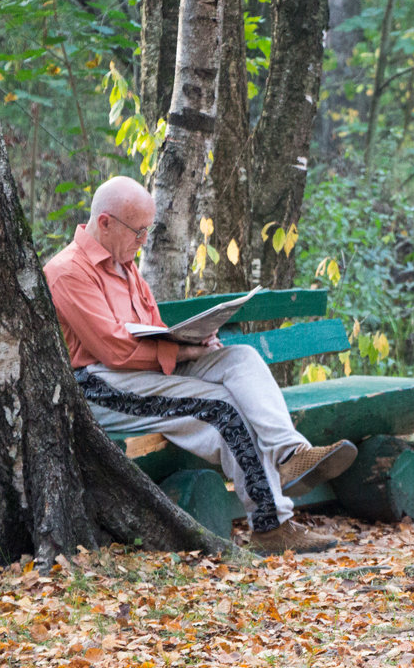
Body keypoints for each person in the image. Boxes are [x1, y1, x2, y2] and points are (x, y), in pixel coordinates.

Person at [44, 176, 357, 554]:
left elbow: (151, 330)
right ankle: (272, 526)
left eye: (148, 230)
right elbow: (112, 349)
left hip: (145, 373)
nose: (143, 240)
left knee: (241, 359)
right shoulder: (67, 271)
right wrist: (181, 353)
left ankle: (291, 453)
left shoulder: (126, 266)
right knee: (223, 408)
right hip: (101, 386)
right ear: (105, 222)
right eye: (137, 231)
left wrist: (193, 339)